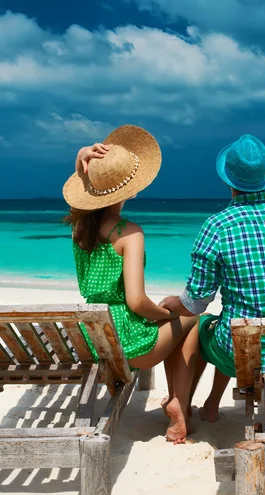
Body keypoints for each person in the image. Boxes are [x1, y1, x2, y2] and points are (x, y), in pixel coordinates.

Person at [160, 134, 265, 422]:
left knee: (200, 325)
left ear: (229, 181)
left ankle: (182, 405)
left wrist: (171, 303)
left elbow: (196, 303)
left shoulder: (218, 226)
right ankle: (211, 406)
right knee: (233, 325)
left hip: (237, 350)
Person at [63, 125, 200, 444]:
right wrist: (166, 315)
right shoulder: (129, 233)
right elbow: (137, 302)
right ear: (131, 188)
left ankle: (174, 401)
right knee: (192, 319)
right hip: (128, 345)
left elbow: (80, 204)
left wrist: (81, 157)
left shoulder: (79, 229)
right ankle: (178, 404)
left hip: (95, 337)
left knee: (167, 319)